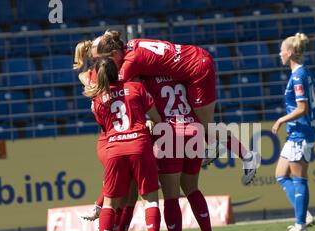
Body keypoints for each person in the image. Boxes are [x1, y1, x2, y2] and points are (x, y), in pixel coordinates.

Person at [92, 31, 260, 185]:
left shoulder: (130, 62)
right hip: (196, 57)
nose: (102, 65)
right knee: (205, 123)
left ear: (115, 53)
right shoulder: (132, 43)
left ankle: (247, 156)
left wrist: (92, 92)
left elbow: (117, 89)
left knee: (207, 124)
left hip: (197, 69)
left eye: (102, 60)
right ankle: (216, 146)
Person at [86, 56, 163, 231]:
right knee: (150, 199)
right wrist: (147, 122)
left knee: (110, 204)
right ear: (118, 70)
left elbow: (104, 126)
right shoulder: (136, 87)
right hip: (139, 145)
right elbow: (156, 118)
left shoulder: (98, 99)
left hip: (114, 150)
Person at [74, 42, 137, 231]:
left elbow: (83, 77)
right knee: (126, 196)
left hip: (107, 141)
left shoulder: (93, 82)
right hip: (120, 139)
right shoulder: (123, 81)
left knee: (118, 193)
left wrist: (83, 62)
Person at [143, 76, 216, 231]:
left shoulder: (148, 78)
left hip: (170, 132)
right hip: (193, 130)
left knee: (171, 196)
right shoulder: (183, 75)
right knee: (192, 188)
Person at [272, 33, 315, 231]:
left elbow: (302, 108)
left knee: (299, 177)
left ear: (290, 53)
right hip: (298, 131)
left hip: (301, 132)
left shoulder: (298, 75)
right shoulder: (302, 73)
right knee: (281, 174)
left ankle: (300, 224)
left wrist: (282, 119)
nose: (279, 53)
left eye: (282, 50)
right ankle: (304, 215)